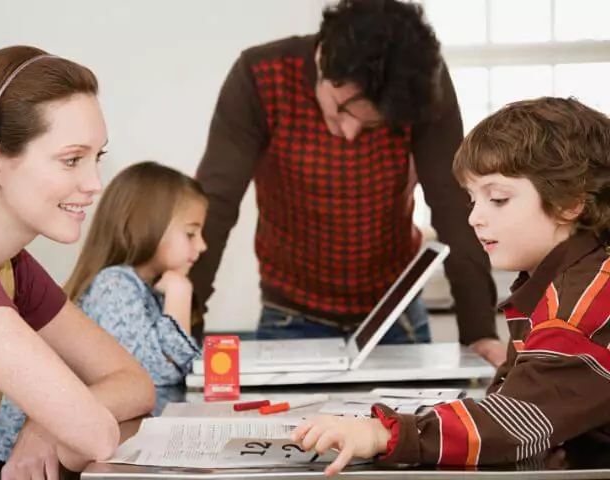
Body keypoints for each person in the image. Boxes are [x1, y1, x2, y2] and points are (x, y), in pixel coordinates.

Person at [289, 96, 610, 475]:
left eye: (498, 198)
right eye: (473, 199)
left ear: (570, 203)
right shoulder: (552, 283)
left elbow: (516, 421)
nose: (475, 217)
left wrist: (383, 434)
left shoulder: (584, 304)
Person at [190, 0, 505, 365]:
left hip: (394, 310)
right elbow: (215, 204)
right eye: (341, 109)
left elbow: (453, 206)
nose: (351, 132)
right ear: (323, 63)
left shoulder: (420, 86)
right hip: (290, 315)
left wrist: (480, 331)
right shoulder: (260, 76)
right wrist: (185, 326)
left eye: (372, 124)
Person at [0, 45, 156, 479]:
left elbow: (133, 381)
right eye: (72, 159)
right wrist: (63, 417)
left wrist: (43, 425)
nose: (94, 184)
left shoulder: (12, 266)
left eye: (97, 158)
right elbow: (95, 435)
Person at [0, 161, 207, 467]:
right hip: (20, 460)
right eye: (191, 233)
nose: (202, 245)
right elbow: (158, 374)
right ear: (148, 224)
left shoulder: (145, 290)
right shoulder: (114, 285)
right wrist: (180, 294)